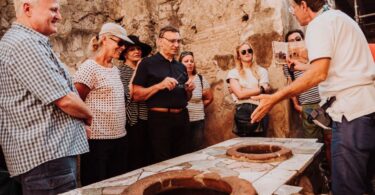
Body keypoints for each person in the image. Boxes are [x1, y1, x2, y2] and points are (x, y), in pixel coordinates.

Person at [251, 1, 375, 194]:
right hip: (365, 108)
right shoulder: (340, 18)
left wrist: (274, 98)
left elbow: (319, 74)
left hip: (351, 115)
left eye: (293, 6)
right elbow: (337, 66)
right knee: (363, 184)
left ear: (303, 4)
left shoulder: (319, 23)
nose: (292, 12)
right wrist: (303, 65)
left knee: (347, 189)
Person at [0, 0, 93, 194]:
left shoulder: (27, 41)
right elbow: (64, 99)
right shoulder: (24, 43)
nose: (59, 16)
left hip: (48, 161)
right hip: (48, 161)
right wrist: (87, 115)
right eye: (53, 10)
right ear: (27, 9)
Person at [74, 22, 132, 186]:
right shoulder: (89, 67)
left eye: (125, 45)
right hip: (98, 142)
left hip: (120, 138)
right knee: (97, 187)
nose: (122, 48)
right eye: (120, 43)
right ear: (105, 39)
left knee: (118, 186)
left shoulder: (114, 69)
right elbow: (76, 102)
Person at [132, 25, 195, 163]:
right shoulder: (147, 63)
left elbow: (187, 98)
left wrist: (189, 90)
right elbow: (136, 95)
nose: (176, 45)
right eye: (172, 41)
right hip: (159, 120)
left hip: (182, 118)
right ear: (159, 41)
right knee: (162, 163)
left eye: (178, 41)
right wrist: (159, 85)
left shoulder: (181, 67)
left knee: (184, 160)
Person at [118, 35, 152, 171]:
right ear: (125, 53)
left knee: (147, 156)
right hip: (131, 120)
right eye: (132, 49)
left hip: (147, 116)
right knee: (134, 157)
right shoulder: (121, 71)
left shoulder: (146, 71)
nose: (137, 51)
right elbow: (129, 94)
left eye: (138, 49)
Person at [283, 29, 323, 142]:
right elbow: (290, 83)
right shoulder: (288, 62)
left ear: (303, 40)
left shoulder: (315, 55)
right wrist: (296, 105)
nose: (295, 42)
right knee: (314, 140)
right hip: (307, 105)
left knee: (332, 137)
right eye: (291, 41)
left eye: (298, 39)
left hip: (325, 101)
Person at [227, 42, 271, 137]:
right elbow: (240, 95)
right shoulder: (233, 72)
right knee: (245, 145)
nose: (247, 53)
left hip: (260, 109)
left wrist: (244, 90)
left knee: (260, 144)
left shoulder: (262, 71)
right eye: (243, 52)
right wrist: (261, 88)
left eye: (249, 50)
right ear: (239, 56)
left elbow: (264, 94)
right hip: (243, 112)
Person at [179, 51, 213, 152]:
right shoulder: (178, 79)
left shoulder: (200, 79)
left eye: (191, 61)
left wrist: (200, 108)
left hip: (198, 120)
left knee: (197, 148)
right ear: (180, 63)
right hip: (182, 121)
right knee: (183, 149)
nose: (190, 63)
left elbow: (209, 98)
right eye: (186, 61)